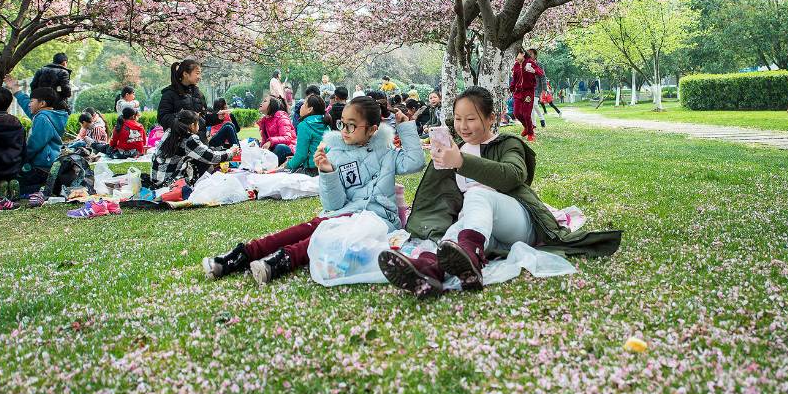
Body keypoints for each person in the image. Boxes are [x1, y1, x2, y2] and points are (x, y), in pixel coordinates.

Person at [379, 87, 621, 299]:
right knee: (453, 238)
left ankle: (469, 254)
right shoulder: (458, 148)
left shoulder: (508, 144)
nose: (463, 126)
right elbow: (441, 197)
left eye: (471, 119)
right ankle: (428, 273)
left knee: (477, 195)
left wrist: (461, 161)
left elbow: (513, 175)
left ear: (491, 117)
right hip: (482, 229)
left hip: (519, 223)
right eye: (458, 119)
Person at [202, 95, 424, 284]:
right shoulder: (335, 153)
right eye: (342, 123)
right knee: (306, 228)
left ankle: (278, 262)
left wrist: (405, 126)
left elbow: (415, 161)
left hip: (377, 220)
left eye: (352, 125)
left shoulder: (387, 153)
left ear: (373, 130)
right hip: (343, 213)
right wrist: (327, 173)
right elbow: (333, 205)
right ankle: (242, 255)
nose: (344, 131)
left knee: (325, 236)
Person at [150, 109, 239, 189]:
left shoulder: (169, 132)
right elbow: (212, 157)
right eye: (198, 123)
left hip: (156, 181)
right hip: (171, 185)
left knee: (202, 156)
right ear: (193, 125)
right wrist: (231, 152)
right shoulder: (189, 139)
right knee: (205, 160)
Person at [17, 87, 69, 198]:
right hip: (49, 165)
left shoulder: (42, 118)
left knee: (19, 182)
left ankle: (42, 189)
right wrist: (17, 92)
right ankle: (47, 186)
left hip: (40, 167)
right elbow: (28, 108)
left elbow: (35, 144)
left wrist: (23, 158)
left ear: (42, 104)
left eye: (31, 101)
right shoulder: (51, 116)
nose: (29, 104)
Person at [157, 60, 224, 144]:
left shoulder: (199, 94)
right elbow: (162, 118)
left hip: (200, 142)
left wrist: (217, 117)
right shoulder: (169, 94)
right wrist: (184, 117)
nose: (200, 77)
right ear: (185, 74)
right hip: (180, 144)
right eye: (197, 73)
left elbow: (203, 119)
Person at [0, 87, 25, 202]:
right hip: (14, 167)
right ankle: (11, 182)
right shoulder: (17, 122)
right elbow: (23, 149)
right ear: (9, 104)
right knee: (11, 175)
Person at [282, 95, 327, 176]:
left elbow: (301, 155)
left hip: (311, 171)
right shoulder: (325, 122)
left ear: (310, 109)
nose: (301, 106)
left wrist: (287, 165)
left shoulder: (305, 125)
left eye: (304, 104)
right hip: (326, 168)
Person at [256, 94, 296, 165]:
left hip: (288, 148)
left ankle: (267, 166)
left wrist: (271, 142)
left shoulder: (281, 117)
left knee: (280, 147)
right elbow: (265, 142)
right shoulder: (264, 121)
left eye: (265, 101)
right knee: (253, 143)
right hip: (274, 148)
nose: (261, 103)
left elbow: (287, 138)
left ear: (271, 105)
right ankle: (265, 165)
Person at [509, 49, 539, 142]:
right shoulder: (516, 65)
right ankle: (527, 127)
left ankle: (531, 134)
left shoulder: (530, 62)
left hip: (528, 92)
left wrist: (533, 70)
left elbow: (540, 72)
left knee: (526, 114)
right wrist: (511, 89)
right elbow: (514, 79)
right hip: (518, 92)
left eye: (517, 55)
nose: (515, 58)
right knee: (516, 113)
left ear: (522, 54)